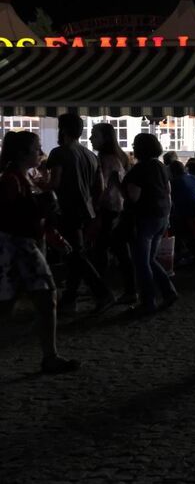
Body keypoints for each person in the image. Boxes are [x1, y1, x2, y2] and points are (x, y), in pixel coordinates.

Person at [0, 131, 79, 374]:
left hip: (18, 246)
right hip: (18, 245)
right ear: (24, 153)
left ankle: (50, 356)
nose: (41, 153)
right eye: (36, 149)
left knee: (13, 302)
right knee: (43, 298)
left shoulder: (22, 177)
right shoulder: (13, 180)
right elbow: (11, 216)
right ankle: (50, 356)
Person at [46, 113, 115, 314]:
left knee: (75, 254)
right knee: (76, 253)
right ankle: (69, 300)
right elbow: (99, 187)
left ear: (63, 130)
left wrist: (40, 185)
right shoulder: (90, 155)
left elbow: (55, 183)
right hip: (86, 210)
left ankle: (102, 293)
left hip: (67, 209)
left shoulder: (59, 153)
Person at [123, 133, 178, 314]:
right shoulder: (162, 166)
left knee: (141, 261)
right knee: (150, 259)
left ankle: (148, 300)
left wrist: (118, 185)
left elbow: (134, 196)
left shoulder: (140, 169)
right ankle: (168, 291)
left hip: (145, 217)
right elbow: (168, 191)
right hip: (161, 216)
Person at [89, 122, 136, 305]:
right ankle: (125, 289)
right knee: (117, 250)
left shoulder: (107, 159)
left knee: (103, 250)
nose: (91, 138)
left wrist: (96, 206)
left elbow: (105, 187)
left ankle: (102, 291)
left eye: (94, 134)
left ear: (105, 138)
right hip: (117, 207)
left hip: (109, 208)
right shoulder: (118, 157)